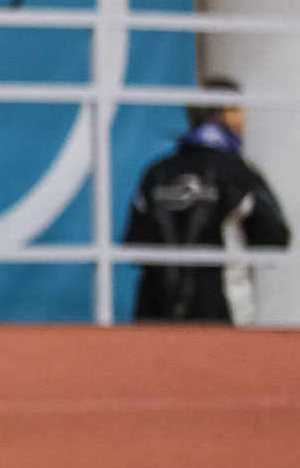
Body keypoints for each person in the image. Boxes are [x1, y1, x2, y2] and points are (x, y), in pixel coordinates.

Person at [124, 76, 290, 324]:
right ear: (226, 114)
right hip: (221, 314)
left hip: (154, 312)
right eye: (238, 111)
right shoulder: (237, 172)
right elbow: (276, 238)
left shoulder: (156, 172)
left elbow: (135, 245)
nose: (242, 122)